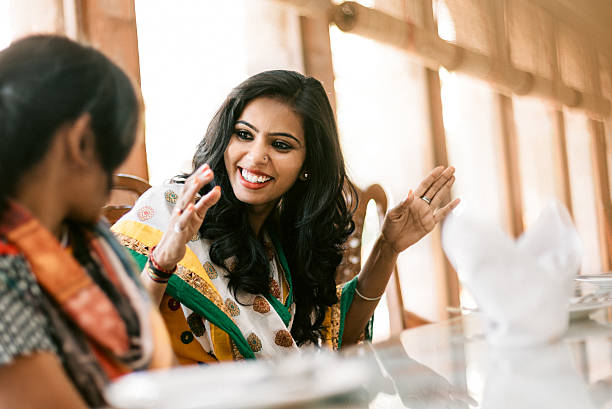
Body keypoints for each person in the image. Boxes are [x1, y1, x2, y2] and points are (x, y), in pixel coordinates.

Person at [112, 70, 459, 363]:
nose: (256, 155)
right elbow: (108, 334)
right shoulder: (173, 208)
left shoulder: (277, 242)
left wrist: (387, 247)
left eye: (280, 145)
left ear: (308, 164)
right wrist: (163, 263)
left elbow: (337, 336)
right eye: (244, 135)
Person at [0, 35, 172, 409]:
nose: (112, 181)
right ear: (81, 142)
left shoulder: (86, 236)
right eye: (113, 160)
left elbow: (156, 360)